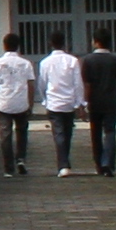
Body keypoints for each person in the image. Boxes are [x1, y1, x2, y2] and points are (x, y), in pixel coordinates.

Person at [0, 32, 36, 176]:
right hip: (21, 102)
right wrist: (30, 105)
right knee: (22, 132)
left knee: (5, 135)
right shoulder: (26, 63)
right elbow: (31, 85)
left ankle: (8, 169)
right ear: (18, 46)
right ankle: (21, 159)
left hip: (3, 103)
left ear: (4, 45)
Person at [38, 36, 88, 174]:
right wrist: (80, 103)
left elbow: (42, 84)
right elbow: (78, 83)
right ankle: (65, 162)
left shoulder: (45, 62)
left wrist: (45, 99)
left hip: (53, 102)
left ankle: (63, 165)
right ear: (64, 44)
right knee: (67, 133)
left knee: (58, 134)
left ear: (50, 44)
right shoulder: (72, 61)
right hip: (69, 102)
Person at [80, 34, 116, 177]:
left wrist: (85, 102)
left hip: (94, 101)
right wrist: (112, 89)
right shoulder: (115, 60)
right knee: (110, 132)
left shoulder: (87, 60)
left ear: (95, 42)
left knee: (95, 134)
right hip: (111, 101)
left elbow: (86, 84)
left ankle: (99, 164)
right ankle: (108, 163)